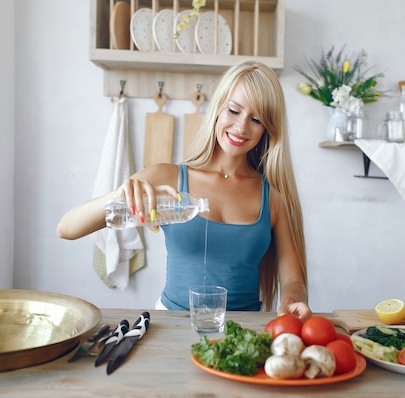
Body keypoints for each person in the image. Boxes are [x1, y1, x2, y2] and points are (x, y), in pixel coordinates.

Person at [57, 61, 311, 321]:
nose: (241, 127)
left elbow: (293, 280)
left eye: (256, 119)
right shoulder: (167, 177)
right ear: (218, 108)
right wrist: (117, 196)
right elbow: (66, 228)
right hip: (171, 327)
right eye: (234, 110)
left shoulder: (273, 198)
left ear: (266, 129)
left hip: (244, 333)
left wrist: (293, 299)